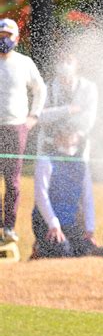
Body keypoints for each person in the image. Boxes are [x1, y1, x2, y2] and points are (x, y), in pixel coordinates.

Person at [0, 18, 47, 244]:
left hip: (16, 127)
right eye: (0, 36)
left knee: (13, 181)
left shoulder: (23, 62)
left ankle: (9, 227)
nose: (3, 40)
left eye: (7, 36)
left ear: (16, 38)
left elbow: (40, 89)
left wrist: (33, 116)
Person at [31, 125, 96, 258]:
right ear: (57, 138)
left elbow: (87, 199)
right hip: (46, 223)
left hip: (70, 222)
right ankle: (39, 250)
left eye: (73, 134)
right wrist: (53, 224)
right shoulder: (45, 161)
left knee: (85, 250)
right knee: (63, 250)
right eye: (64, 133)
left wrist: (90, 228)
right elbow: (41, 196)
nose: (69, 137)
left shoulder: (82, 165)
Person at [38, 52, 98, 161]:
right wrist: (67, 110)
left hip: (77, 144)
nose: (65, 65)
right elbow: (40, 116)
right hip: (49, 143)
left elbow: (89, 118)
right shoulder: (47, 87)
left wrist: (72, 135)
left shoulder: (88, 88)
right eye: (61, 61)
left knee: (78, 176)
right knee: (47, 176)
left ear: (77, 64)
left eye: (69, 61)